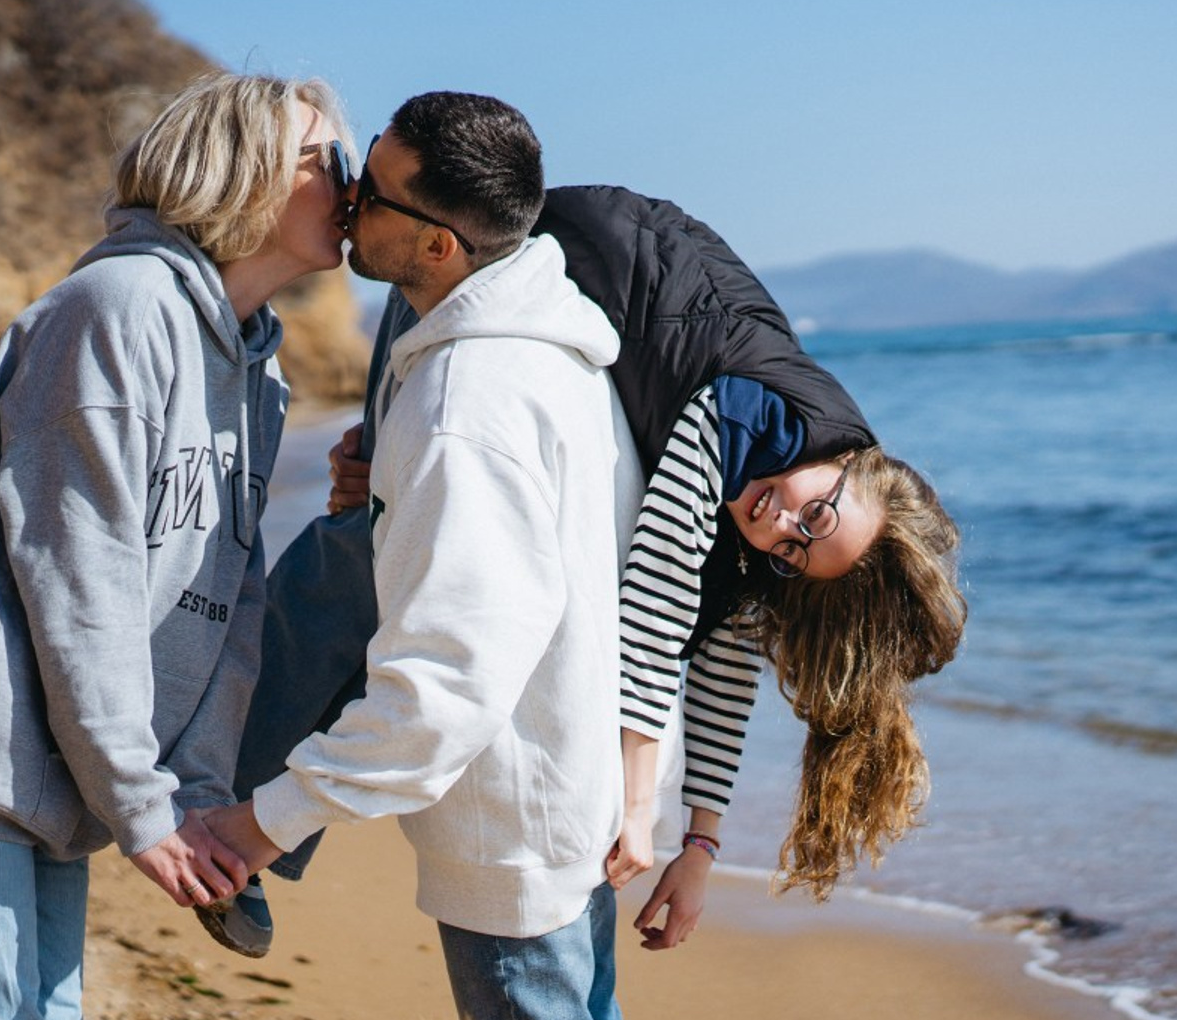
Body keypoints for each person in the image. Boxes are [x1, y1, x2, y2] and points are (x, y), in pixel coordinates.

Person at [219, 184, 965, 960]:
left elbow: (721, 666)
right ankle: (231, 808)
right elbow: (656, 603)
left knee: (375, 519)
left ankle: (248, 814)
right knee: (365, 549)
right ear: (852, 465)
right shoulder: (756, 416)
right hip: (498, 254)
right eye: (814, 518)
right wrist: (636, 807)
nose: (780, 528)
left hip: (571, 279)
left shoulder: (779, 494)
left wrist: (700, 845)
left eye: (794, 555)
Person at [205, 92, 644, 1020]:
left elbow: (444, 679)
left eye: (373, 189)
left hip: (510, 829)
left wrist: (261, 823)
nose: (349, 198)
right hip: (561, 799)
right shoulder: (556, 354)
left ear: (438, 245)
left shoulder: (465, 403)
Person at [0, 70, 354, 1020]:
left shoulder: (256, 370)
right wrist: (145, 807)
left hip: (53, 777)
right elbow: (80, 578)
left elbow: (224, 605)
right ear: (238, 173)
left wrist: (193, 793)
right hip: (2, 754)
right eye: (319, 159)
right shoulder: (115, 310)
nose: (348, 180)